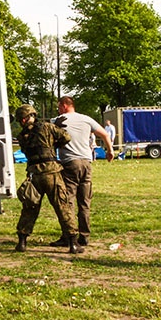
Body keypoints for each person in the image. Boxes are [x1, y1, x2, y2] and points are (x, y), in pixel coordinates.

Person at [13, 104, 82, 254]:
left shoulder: (21, 136)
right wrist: (54, 140)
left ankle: (22, 242)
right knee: (63, 207)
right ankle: (73, 243)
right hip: (52, 173)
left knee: (30, 208)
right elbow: (66, 138)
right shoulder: (48, 127)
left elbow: (27, 151)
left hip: (34, 175)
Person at [48, 96, 114, 249]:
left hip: (70, 164)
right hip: (86, 163)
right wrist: (110, 151)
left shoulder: (58, 120)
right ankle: (84, 236)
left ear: (65, 106)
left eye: (59, 106)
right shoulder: (86, 119)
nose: (58, 109)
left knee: (68, 201)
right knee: (84, 202)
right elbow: (105, 134)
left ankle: (69, 236)